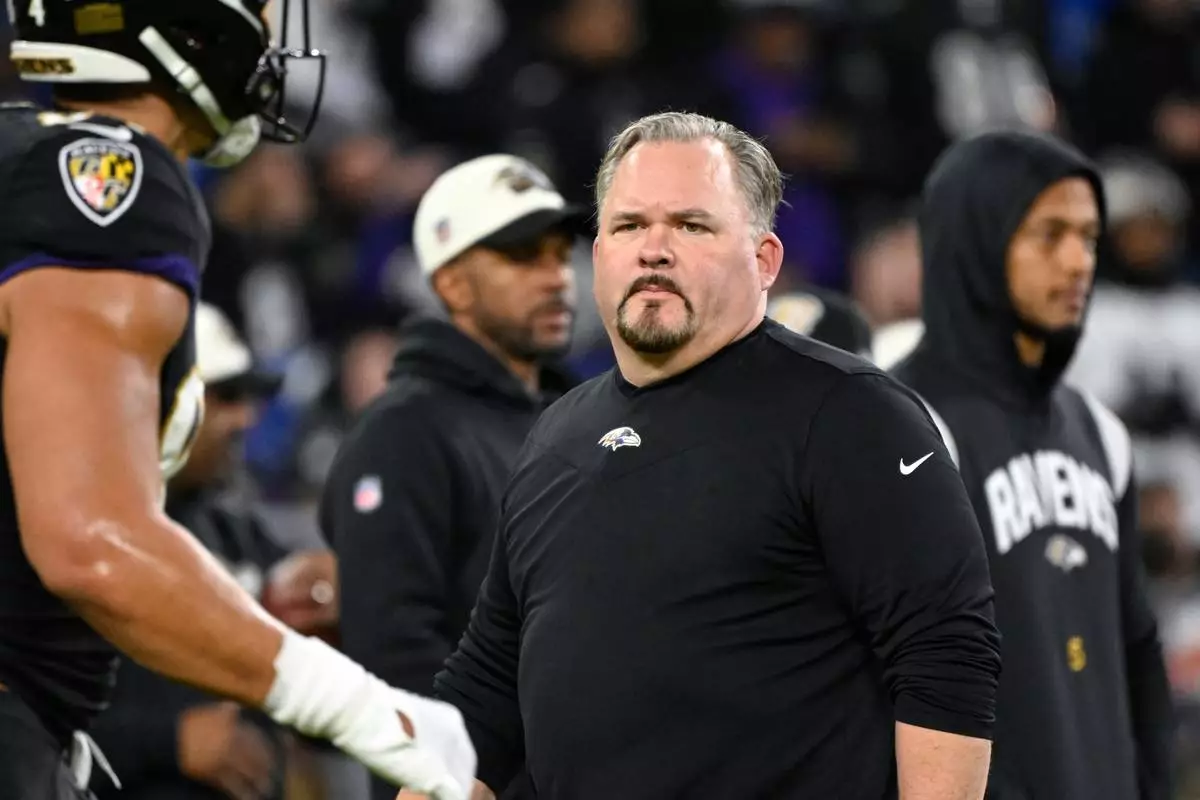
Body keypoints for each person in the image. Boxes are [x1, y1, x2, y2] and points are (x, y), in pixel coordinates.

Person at [433, 111, 1002, 799]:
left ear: (764, 260)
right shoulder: (558, 437)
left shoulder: (851, 415)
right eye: (628, 225)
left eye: (691, 225)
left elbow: (946, 652)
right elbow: (488, 684)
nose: (654, 249)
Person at [0, 3, 475, 799]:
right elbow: (89, 543)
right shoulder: (100, 177)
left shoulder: (24, 153)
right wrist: (362, 708)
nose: (263, 25)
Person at [891, 129, 1173, 799]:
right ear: (977, 238)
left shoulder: (1100, 432)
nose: (1078, 262)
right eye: (1048, 235)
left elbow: (1137, 656)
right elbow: (901, 676)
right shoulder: (904, 422)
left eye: (1089, 238)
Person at [322, 153, 582, 800]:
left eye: (560, 253)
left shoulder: (572, 420)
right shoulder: (403, 432)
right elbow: (393, 652)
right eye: (523, 257)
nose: (557, 278)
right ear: (453, 285)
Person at [89, 302, 338, 800]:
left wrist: (336, 624)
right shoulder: (79, 540)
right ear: (153, 394)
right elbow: (24, 736)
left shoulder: (236, 535)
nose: (246, 418)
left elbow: (320, 721)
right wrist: (168, 742)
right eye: (223, 396)